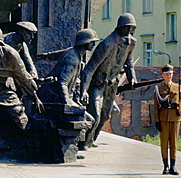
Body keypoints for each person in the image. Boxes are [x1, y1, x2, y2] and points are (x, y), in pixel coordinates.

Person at [81, 13, 137, 147]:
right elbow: (90, 68)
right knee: (95, 113)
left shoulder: (131, 43)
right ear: (120, 27)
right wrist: (83, 90)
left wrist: (132, 77)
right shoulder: (107, 44)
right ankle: (83, 142)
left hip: (112, 84)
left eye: (132, 29)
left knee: (105, 115)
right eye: (127, 28)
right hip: (98, 84)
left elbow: (128, 62)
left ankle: (91, 140)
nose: (129, 32)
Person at [37, 29, 99, 106]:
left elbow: (58, 54)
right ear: (84, 42)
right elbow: (62, 83)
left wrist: (47, 55)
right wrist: (67, 103)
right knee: (88, 118)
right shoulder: (72, 60)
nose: (93, 45)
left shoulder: (73, 52)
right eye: (91, 42)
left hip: (57, 96)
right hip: (52, 99)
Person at [154, 64, 181, 175]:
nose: (168, 76)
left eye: (170, 74)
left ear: (172, 75)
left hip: (175, 117)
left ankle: (173, 167)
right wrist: (156, 120)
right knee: (164, 143)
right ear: (163, 75)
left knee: (174, 143)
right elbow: (156, 106)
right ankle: (166, 166)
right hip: (163, 118)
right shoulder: (158, 88)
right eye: (166, 74)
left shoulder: (178, 87)